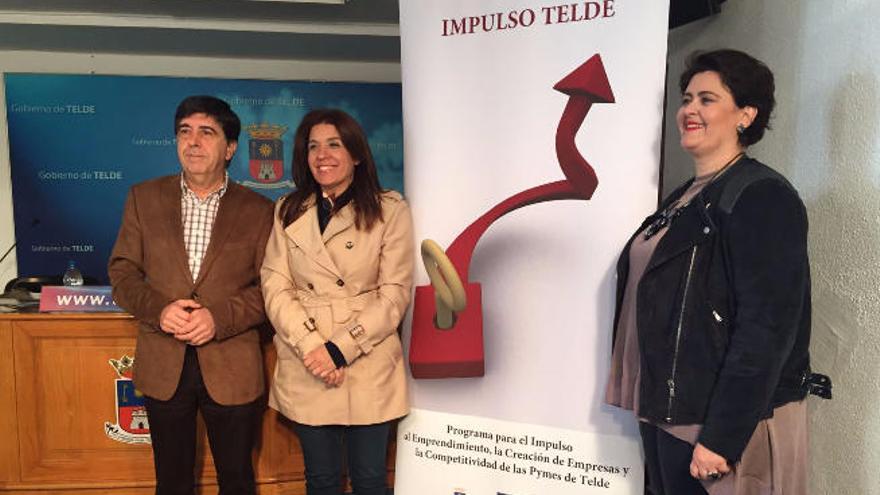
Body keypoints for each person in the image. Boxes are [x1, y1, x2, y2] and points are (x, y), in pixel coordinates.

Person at [605, 49, 829, 495]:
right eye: (686, 98)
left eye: (707, 99)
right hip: (667, 409)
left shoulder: (762, 196)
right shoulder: (683, 198)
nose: (689, 109)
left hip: (712, 426)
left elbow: (765, 330)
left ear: (746, 114)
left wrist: (720, 438)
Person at [109, 95, 273, 495]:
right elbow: (122, 272)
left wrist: (219, 317)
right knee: (172, 481)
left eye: (207, 133)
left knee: (237, 480)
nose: (193, 142)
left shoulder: (261, 210)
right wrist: (159, 310)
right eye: (185, 132)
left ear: (230, 147)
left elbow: (272, 288)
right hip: (164, 363)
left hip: (232, 364)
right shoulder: (142, 198)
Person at [261, 109, 413, 495]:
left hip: (367, 356)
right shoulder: (288, 209)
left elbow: (394, 293)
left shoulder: (390, 210)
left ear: (357, 154)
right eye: (313, 146)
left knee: (369, 480)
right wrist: (314, 348)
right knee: (322, 481)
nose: (322, 155)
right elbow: (275, 284)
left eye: (334, 144)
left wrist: (338, 349)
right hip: (306, 359)